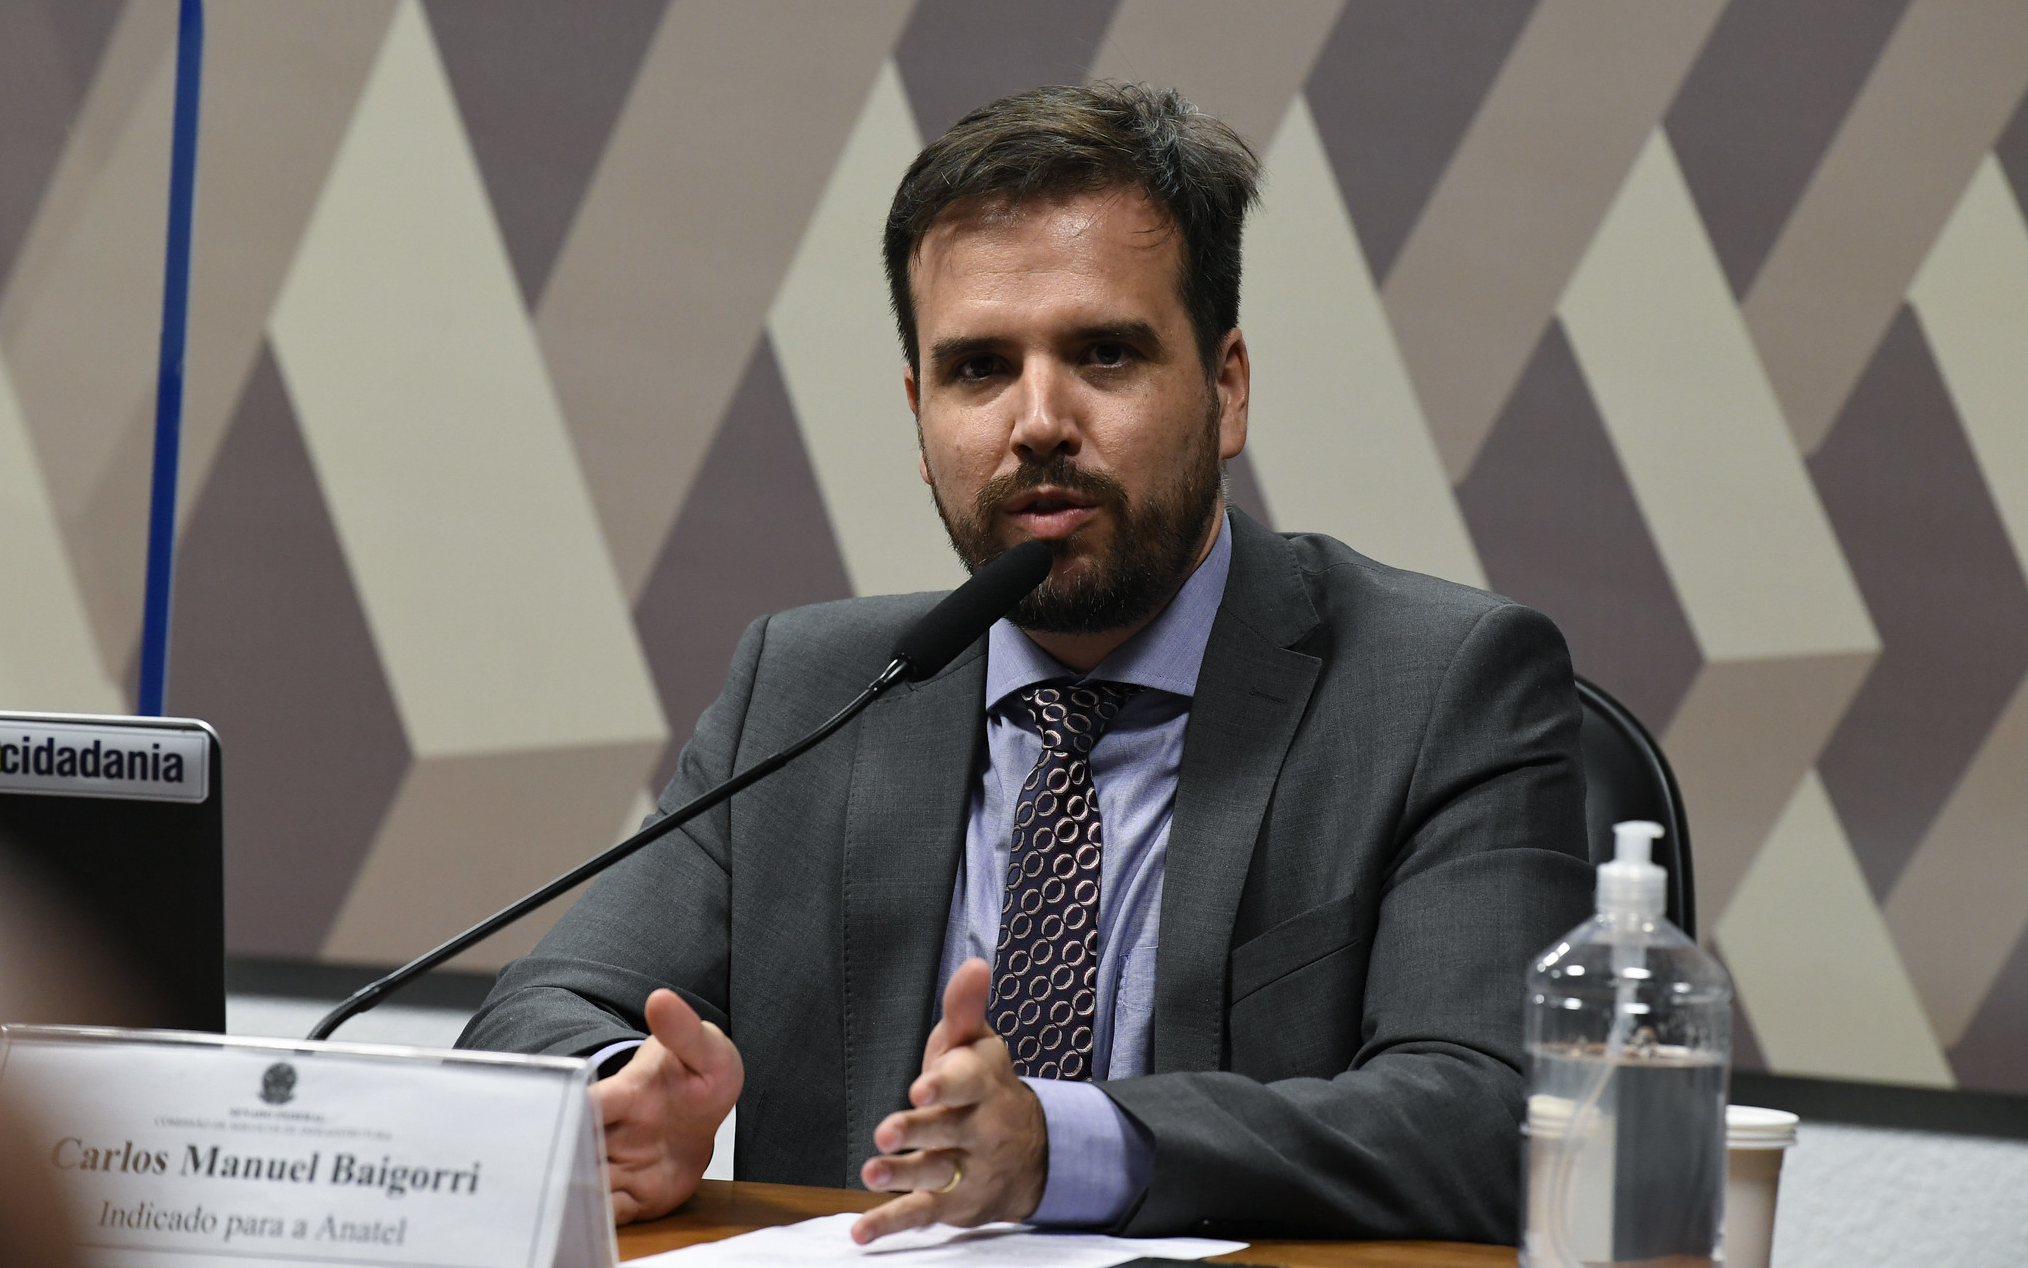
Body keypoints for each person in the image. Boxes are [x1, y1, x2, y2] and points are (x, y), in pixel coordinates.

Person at [459, 82, 1590, 1245]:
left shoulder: (1440, 684)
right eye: (978, 369)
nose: (1037, 419)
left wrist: (1068, 1144)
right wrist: (616, 1093)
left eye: (1104, 354)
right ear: (919, 416)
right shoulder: (811, 688)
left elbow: (1492, 1115)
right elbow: (543, 1009)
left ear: (1226, 385)